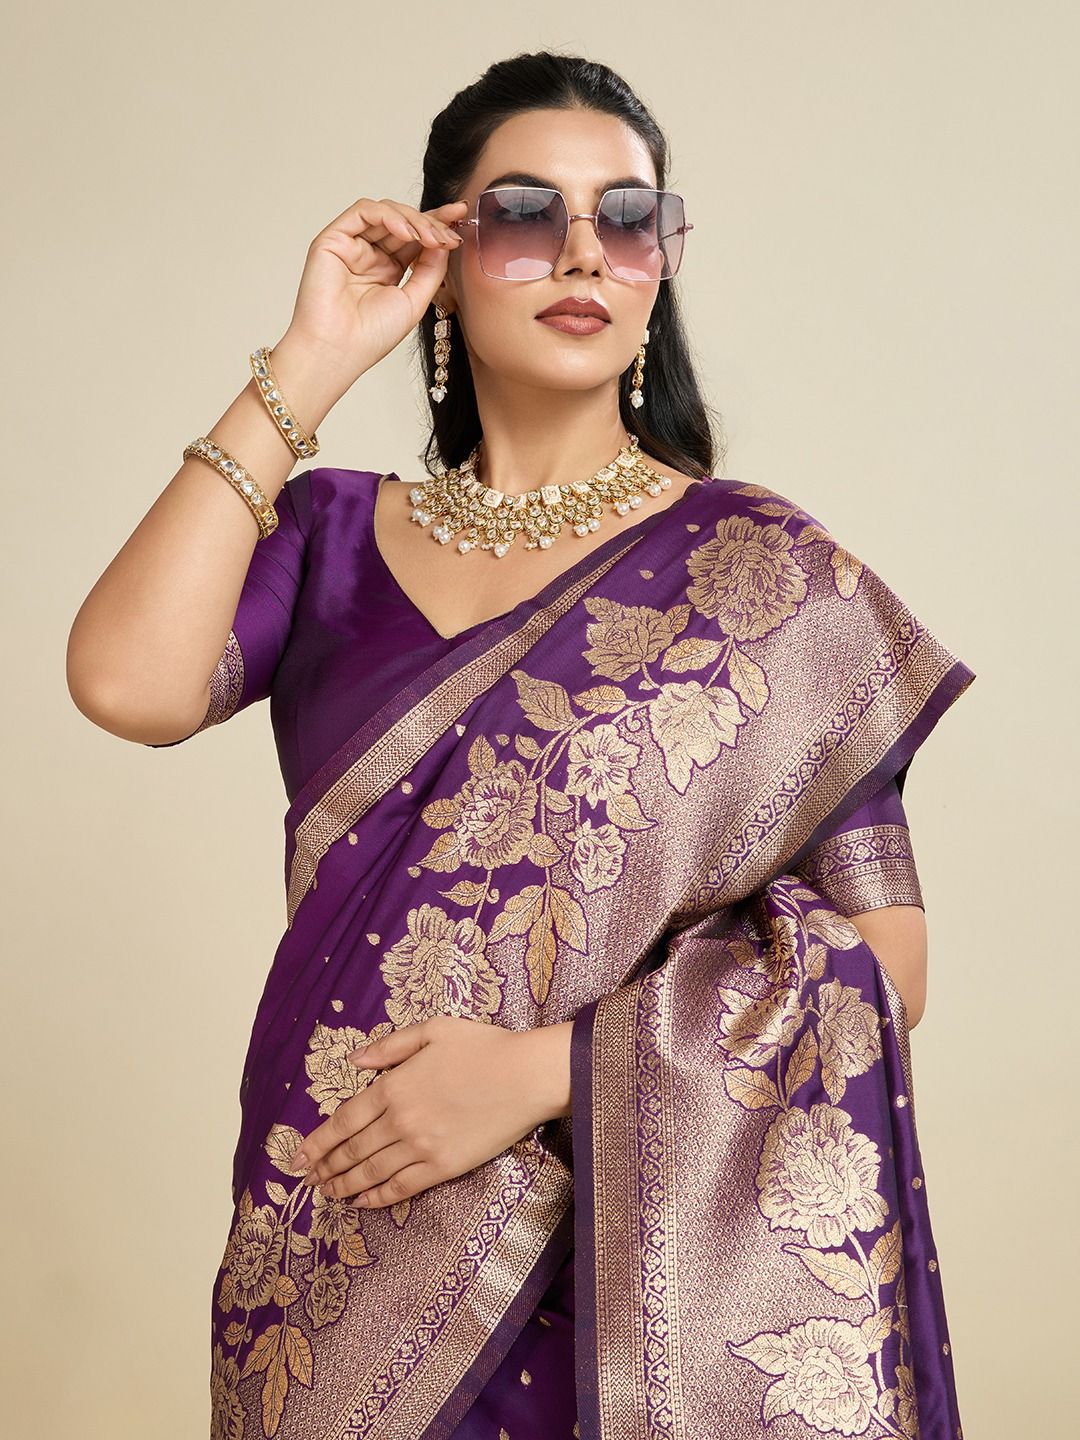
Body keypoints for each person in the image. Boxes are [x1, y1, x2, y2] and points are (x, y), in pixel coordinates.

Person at [67, 49, 976, 1440]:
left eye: (630, 218)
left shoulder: (766, 578)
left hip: (632, 1276)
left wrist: (543, 1073)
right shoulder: (330, 537)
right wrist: (311, 357)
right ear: (442, 255)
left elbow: (887, 963)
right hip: (337, 1246)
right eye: (523, 213)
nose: (584, 253)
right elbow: (126, 682)